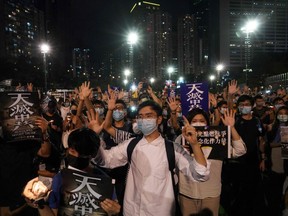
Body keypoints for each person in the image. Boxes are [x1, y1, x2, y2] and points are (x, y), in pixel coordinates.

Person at [92, 100, 210, 216]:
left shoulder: (172, 148)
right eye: (140, 117)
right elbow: (105, 160)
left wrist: (194, 144)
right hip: (132, 210)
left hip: (161, 211)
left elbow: (200, 174)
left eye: (149, 116)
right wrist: (93, 135)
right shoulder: (131, 144)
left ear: (159, 119)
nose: (144, 120)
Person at [23, 127, 121, 216]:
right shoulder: (60, 178)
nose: (77, 156)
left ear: (93, 154)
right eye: (73, 151)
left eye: (82, 154)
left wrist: (114, 213)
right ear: (68, 149)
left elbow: (111, 211)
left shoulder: (104, 182)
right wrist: (40, 202)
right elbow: (54, 213)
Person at [173, 108, 246, 216]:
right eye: (194, 121)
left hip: (210, 192)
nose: (198, 123)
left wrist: (231, 128)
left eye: (202, 121)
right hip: (187, 192)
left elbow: (240, 151)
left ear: (208, 123)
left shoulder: (216, 138)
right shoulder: (181, 138)